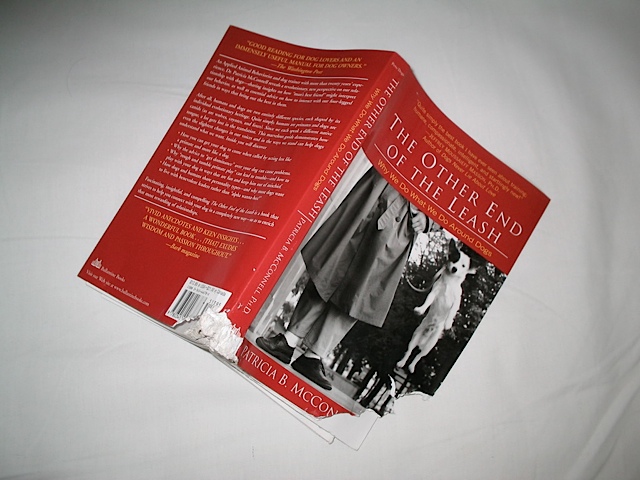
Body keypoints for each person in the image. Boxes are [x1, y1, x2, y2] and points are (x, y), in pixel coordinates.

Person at [256, 167, 429, 390]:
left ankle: (314, 355)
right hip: (373, 191)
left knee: (359, 292)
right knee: (331, 265)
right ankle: (289, 339)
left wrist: (429, 221)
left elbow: (457, 202)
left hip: (402, 221)